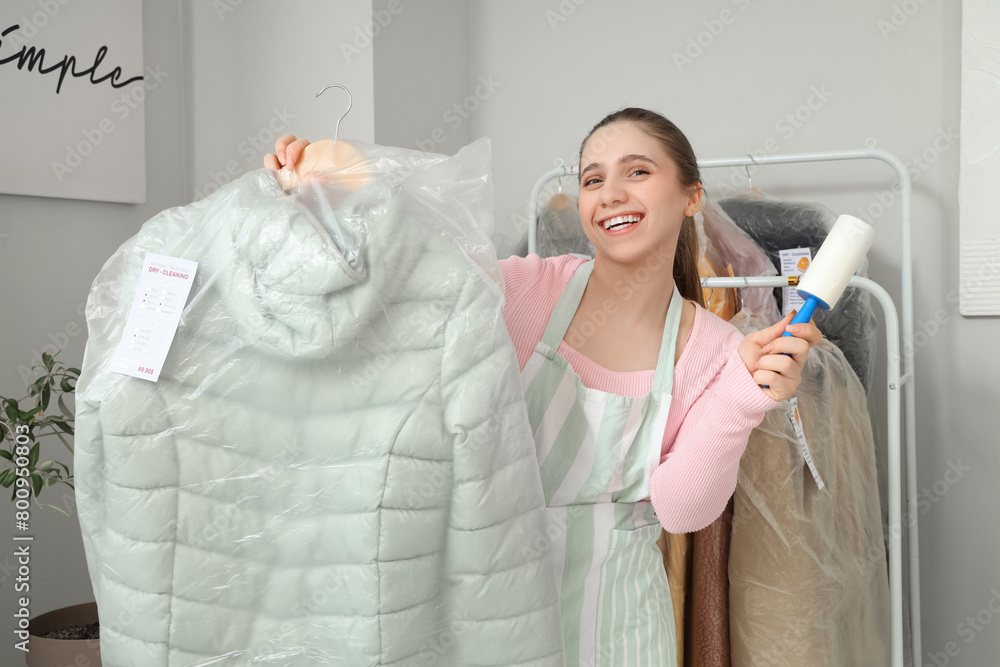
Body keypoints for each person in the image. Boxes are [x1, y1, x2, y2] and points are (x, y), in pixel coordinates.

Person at [265, 107, 822, 666]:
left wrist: (741, 397)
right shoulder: (524, 288)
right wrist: (334, 190)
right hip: (485, 609)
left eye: (637, 172)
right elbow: (403, 269)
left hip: (617, 627)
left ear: (691, 196)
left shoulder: (715, 350)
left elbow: (681, 511)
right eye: (592, 179)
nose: (610, 194)